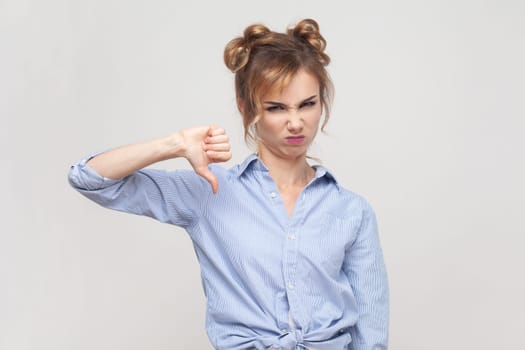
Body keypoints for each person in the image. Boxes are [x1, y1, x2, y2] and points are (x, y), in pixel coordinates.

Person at [68, 18, 389, 350]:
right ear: (247, 108)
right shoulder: (209, 190)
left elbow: (371, 334)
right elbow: (89, 179)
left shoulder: (352, 211)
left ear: (322, 102)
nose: (296, 123)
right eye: (276, 108)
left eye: (307, 104)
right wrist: (174, 144)